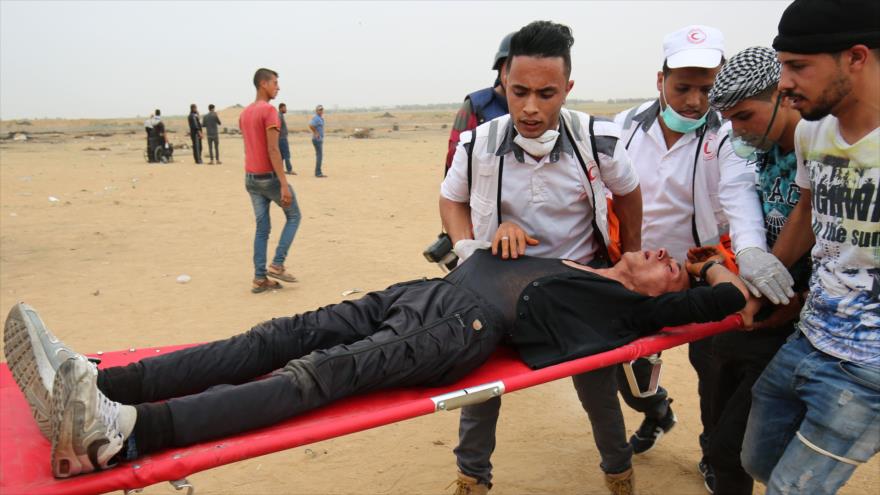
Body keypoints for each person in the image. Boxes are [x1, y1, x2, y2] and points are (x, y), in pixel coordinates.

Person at [4, 245, 750, 479]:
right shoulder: (584, 263)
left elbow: (716, 305)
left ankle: (123, 433)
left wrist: (713, 271)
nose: (658, 256)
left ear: (664, 294)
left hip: (460, 325)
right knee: (275, 336)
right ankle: (103, 379)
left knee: (311, 377)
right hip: (423, 291)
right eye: (658, 250)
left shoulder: (630, 311)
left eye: (669, 266)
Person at [440, 21, 645, 495]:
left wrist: (629, 258)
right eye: (519, 92)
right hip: (501, 289)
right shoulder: (479, 144)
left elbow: (630, 194)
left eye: (547, 94)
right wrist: (472, 248)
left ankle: (619, 473)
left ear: (568, 89)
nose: (531, 108)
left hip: (579, 289)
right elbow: (451, 200)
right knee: (481, 390)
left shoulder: (598, 139)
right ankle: (472, 479)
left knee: (598, 390)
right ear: (503, 85)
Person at [610, 26, 793, 489]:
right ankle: (655, 409)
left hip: (702, 274)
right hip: (639, 275)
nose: (695, 100)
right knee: (628, 370)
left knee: (713, 370)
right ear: (660, 80)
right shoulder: (623, 127)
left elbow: (738, 198)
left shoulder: (734, 134)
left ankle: (714, 453)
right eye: (683, 87)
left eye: (708, 88)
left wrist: (747, 256)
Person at [741, 1, 880, 494]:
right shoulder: (811, 131)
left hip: (867, 367)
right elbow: (806, 210)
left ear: (856, 57)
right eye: (783, 65)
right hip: (808, 337)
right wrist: (767, 280)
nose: (784, 82)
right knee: (756, 459)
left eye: (798, 66)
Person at [703, 46, 813, 495]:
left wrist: (796, 301)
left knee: (737, 445)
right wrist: (749, 256)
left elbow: (818, 225)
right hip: (760, 294)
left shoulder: (820, 143)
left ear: (784, 98)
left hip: (798, 311)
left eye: (745, 115)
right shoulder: (754, 145)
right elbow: (742, 200)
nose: (736, 129)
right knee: (716, 428)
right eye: (728, 119)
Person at [238, 68, 302, 293]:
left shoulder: (245, 113)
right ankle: (277, 264)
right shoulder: (269, 111)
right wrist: (284, 184)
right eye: (275, 82)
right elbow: (273, 149)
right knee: (294, 215)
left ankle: (259, 279)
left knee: (262, 228)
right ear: (263, 84)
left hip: (250, 178)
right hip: (268, 178)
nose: (278, 87)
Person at [443, 32, 513, 173]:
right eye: (511, 67)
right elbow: (454, 156)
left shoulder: (540, 108)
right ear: (500, 68)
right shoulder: (477, 106)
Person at [309, 105, 326, 178]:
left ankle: (318, 172)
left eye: (322, 110)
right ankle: (318, 173)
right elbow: (310, 125)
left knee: (319, 155)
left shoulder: (320, 118)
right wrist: (316, 132)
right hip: (317, 139)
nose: (321, 111)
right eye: (319, 110)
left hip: (319, 139)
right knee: (319, 156)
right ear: (316, 111)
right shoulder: (316, 118)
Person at [278, 103, 294, 175]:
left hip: (281, 138)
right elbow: (278, 127)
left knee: (281, 155)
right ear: (281, 108)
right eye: (284, 108)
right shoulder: (279, 116)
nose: (286, 109)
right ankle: (289, 170)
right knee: (286, 155)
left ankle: (280, 170)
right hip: (282, 138)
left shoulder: (280, 115)